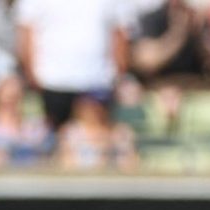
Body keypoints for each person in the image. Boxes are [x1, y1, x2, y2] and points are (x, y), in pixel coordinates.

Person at [14, 0, 132, 131]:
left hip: (97, 80)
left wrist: (117, 74)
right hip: (51, 82)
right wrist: (33, 77)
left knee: (96, 137)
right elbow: (26, 32)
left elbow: (120, 31)